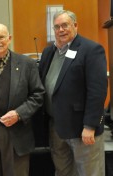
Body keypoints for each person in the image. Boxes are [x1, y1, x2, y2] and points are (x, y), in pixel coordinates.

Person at [38, 10, 107, 176]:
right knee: (63, 172)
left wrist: (90, 126)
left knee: (90, 172)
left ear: (75, 26)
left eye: (65, 25)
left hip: (82, 129)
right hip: (56, 127)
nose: (61, 30)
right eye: (57, 27)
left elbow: (97, 91)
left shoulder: (91, 49)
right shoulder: (49, 52)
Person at [0, 23, 45, 176]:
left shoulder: (27, 64)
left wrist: (19, 114)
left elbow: (38, 95)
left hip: (17, 134)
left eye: (1, 37)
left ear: (9, 38)